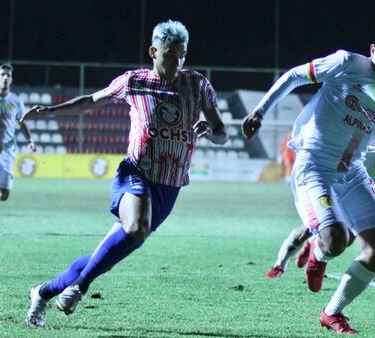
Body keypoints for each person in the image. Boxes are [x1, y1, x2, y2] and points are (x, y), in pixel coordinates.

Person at [243, 22, 375, 334]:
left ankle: (332, 312)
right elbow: (295, 75)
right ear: (373, 50)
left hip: (352, 173)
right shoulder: (346, 64)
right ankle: (319, 250)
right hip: (314, 167)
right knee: (336, 239)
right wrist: (260, 111)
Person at [25, 20, 228, 328]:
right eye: (171, 54)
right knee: (135, 227)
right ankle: (78, 289)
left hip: (169, 187)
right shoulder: (134, 81)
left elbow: (222, 132)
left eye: (183, 55)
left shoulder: (197, 85)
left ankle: (42, 292)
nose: (178, 62)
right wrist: (52, 111)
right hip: (135, 172)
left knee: (103, 256)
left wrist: (211, 133)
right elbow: (90, 102)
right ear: (153, 52)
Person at [265, 140, 375, 281]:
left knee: (345, 240)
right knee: (308, 229)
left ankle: (316, 249)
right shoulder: (362, 154)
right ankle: (280, 264)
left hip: (355, 205)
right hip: (334, 188)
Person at [0, 64, 36, 236]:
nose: (5, 78)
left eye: (8, 76)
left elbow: (21, 122)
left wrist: (30, 139)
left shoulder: (16, 101)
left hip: (7, 151)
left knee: (3, 193)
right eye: (2, 74)